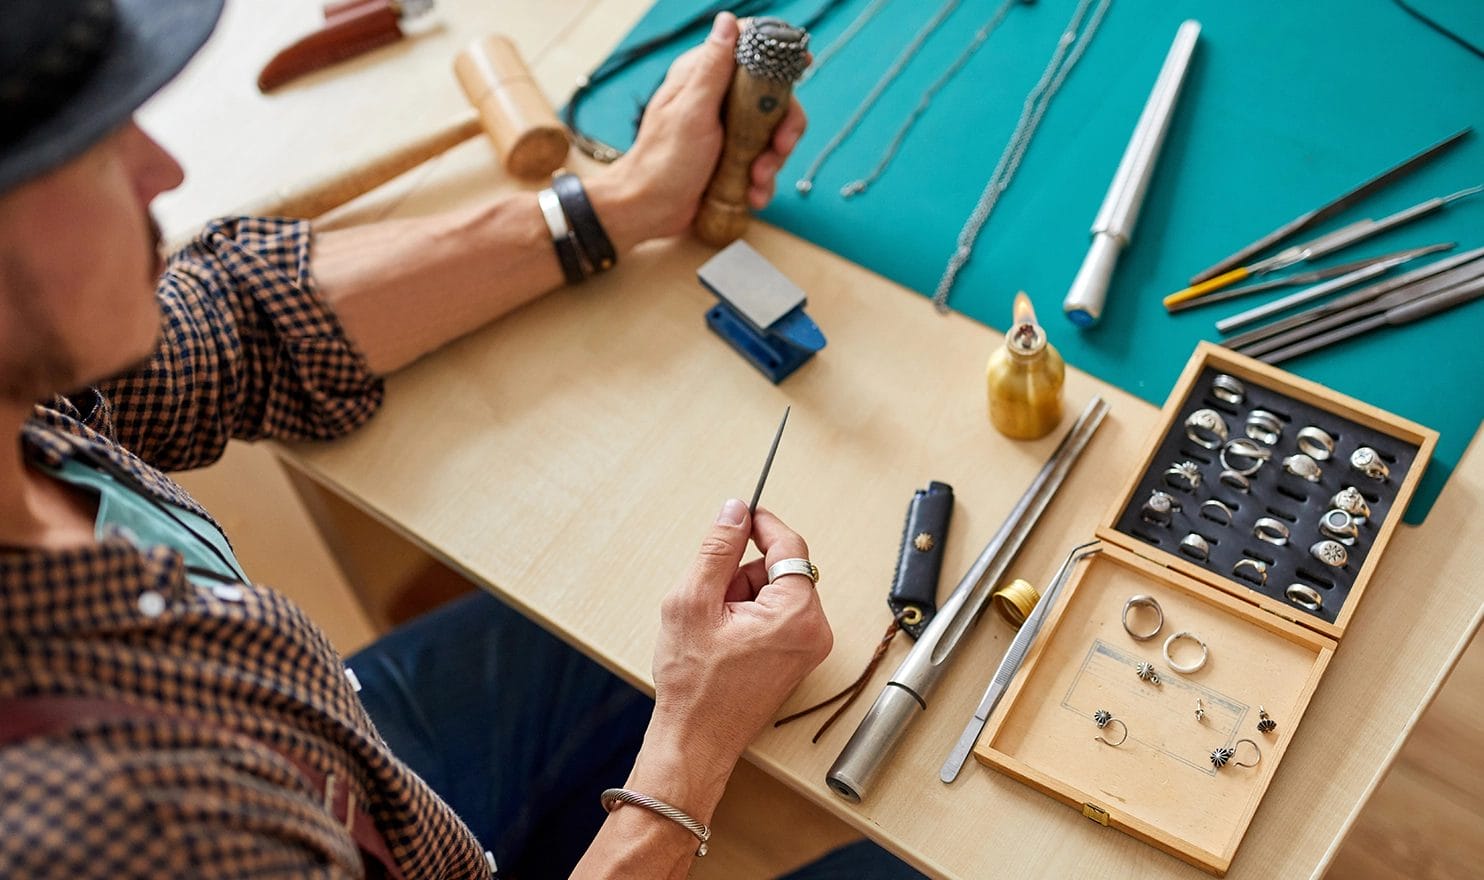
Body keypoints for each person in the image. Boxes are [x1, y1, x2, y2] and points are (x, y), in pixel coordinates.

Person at [0, 1, 926, 877]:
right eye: (89, 149)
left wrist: (628, 199)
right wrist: (687, 758)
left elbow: (243, 320)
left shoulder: (30, 403)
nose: (163, 170)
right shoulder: (98, 821)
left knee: (615, 615)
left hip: (344, 756)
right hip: (294, 815)